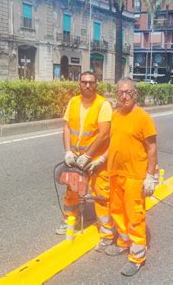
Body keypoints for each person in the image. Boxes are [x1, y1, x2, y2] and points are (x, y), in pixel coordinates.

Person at [104, 77, 158, 277]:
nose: (124, 96)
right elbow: (113, 142)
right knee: (117, 210)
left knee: (135, 215)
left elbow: (152, 148)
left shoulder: (143, 118)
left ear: (135, 94)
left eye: (128, 92)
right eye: (120, 92)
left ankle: (137, 256)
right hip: (115, 173)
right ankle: (123, 242)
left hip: (135, 175)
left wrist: (150, 176)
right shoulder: (115, 115)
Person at [57, 71, 114, 252]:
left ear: (96, 84)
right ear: (79, 84)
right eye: (84, 82)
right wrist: (68, 151)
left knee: (100, 193)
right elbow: (66, 127)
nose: (87, 86)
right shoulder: (73, 102)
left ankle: (106, 234)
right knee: (73, 189)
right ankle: (69, 221)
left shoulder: (102, 104)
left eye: (91, 82)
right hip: (75, 156)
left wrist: (89, 156)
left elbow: (104, 133)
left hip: (95, 159)